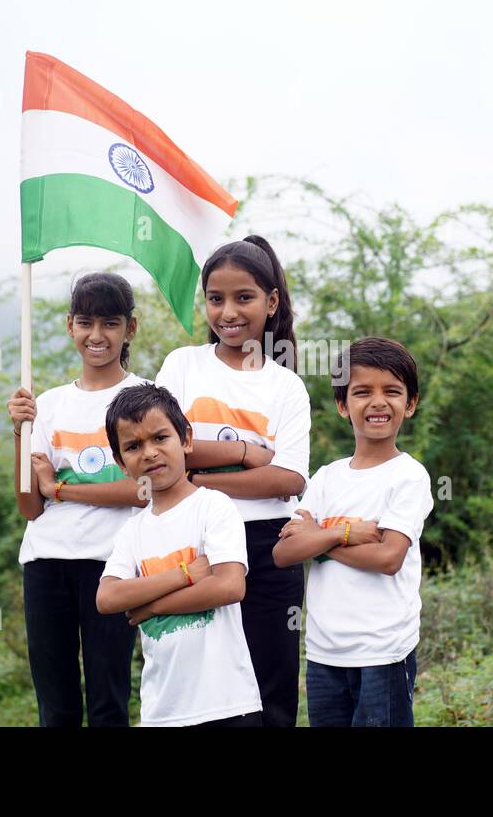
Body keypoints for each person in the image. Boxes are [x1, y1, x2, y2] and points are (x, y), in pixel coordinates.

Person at [153, 235, 311, 727]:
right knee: (198, 678)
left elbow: (288, 478)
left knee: (272, 687)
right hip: (192, 541)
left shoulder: (285, 385)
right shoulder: (183, 365)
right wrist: (247, 453)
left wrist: (198, 476)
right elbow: (161, 442)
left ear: (271, 302)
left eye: (244, 297)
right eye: (216, 298)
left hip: (267, 547)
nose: (228, 311)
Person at [6, 272, 148, 727]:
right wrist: (19, 435)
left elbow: (142, 491)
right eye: (86, 322)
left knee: (108, 703)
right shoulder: (47, 404)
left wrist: (60, 488)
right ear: (70, 325)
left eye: (110, 323)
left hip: (112, 567)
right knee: (56, 706)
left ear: (130, 328)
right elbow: (30, 508)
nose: (97, 335)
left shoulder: (143, 401)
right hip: (46, 564)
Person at [272, 337, 434, 727]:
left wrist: (318, 535)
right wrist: (343, 534)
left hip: (384, 651)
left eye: (392, 391)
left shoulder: (408, 476)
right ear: (344, 405)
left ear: (409, 404)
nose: (378, 402)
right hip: (324, 653)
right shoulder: (327, 477)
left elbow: (388, 558)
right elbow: (283, 553)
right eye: (362, 392)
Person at [96, 383, 262, 727]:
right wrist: (185, 574)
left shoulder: (213, 506)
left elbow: (229, 587)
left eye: (160, 438)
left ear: (185, 439)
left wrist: (152, 605)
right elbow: (108, 597)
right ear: (120, 462)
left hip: (228, 706)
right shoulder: (132, 531)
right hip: (162, 713)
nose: (149, 453)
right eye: (133, 446)